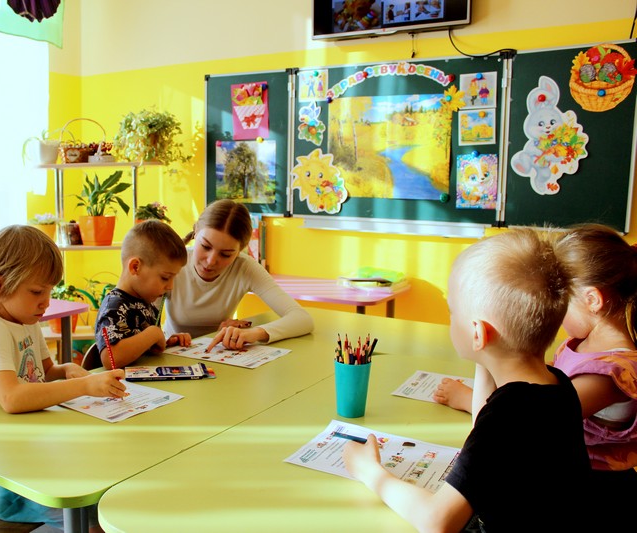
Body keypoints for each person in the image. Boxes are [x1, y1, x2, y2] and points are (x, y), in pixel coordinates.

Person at [343, 228, 592, 531]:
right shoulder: (557, 385)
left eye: (452, 312)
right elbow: (483, 429)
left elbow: (438, 522)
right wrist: (483, 356)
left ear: (477, 333)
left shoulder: (509, 414)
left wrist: (369, 471)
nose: (450, 319)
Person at [434, 224, 637, 526]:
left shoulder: (611, 373)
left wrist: (467, 397)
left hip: (595, 497)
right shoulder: (582, 345)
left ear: (593, 300)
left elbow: (531, 418)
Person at [0, 225, 126, 531]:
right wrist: (84, 385)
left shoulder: (25, 319)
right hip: (5, 478)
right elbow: (12, 398)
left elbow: (45, 372)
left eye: (49, 290)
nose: (46, 301)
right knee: (97, 514)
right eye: (37, 292)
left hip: (35, 451)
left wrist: (68, 369)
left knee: (110, 487)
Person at [163, 199, 314, 351]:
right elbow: (150, 327)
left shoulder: (245, 267)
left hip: (217, 354)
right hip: (169, 353)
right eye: (205, 246)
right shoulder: (171, 263)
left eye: (226, 254)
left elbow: (302, 319)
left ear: (240, 250)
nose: (211, 261)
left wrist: (253, 333)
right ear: (195, 231)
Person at [94, 220, 192, 368]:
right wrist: (153, 334)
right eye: (165, 277)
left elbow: (142, 352)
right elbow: (111, 359)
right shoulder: (113, 307)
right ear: (135, 267)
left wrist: (166, 343)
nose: (170, 286)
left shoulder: (145, 302)